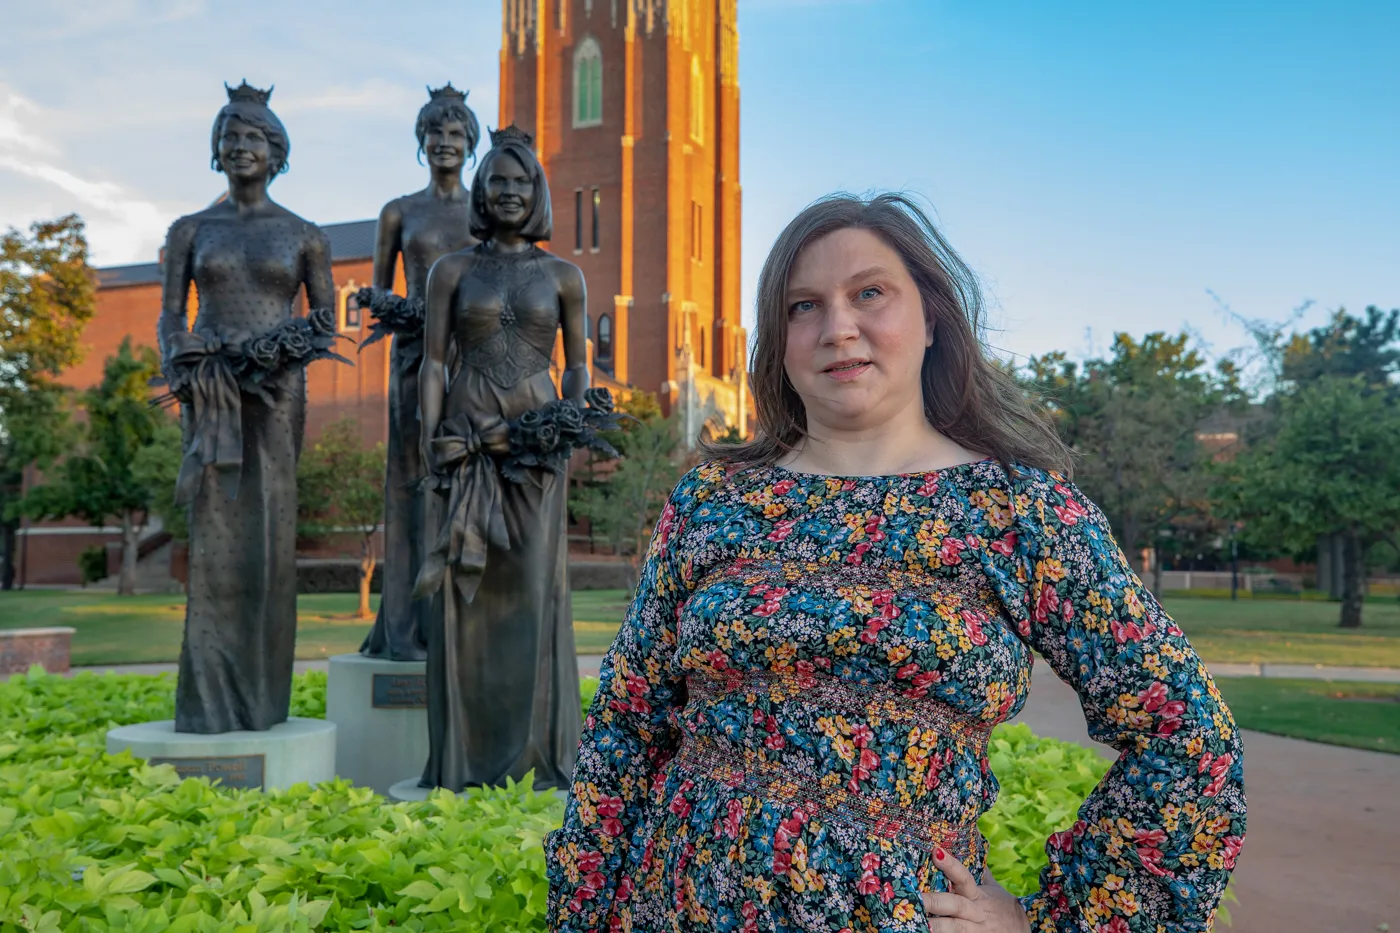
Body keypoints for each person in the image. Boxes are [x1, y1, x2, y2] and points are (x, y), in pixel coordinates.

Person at [544, 193, 1247, 932]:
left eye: (869, 293)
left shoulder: (1018, 512)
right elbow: (626, 724)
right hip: (674, 909)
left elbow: (1188, 736)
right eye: (802, 305)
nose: (837, 326)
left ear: (932, 315)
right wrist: (585, 913)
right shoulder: (714, 499)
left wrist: (1055, 923)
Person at [157, 81, 336, 733]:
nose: (239, 147)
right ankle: (207, 701)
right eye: (229, 137)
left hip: (278, 394)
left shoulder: (305, 235)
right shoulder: (190, 230)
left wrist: (275, 351)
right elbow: (171, 314)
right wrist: (182, 358)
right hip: (212, 392)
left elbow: (324, 322)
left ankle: (261, 698)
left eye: (253, 137)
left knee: (268, 531)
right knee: (214, 535)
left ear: (276, 150)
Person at [414, 125, 587, 791]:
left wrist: (568, 425)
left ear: (536, 190)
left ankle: (533, 758)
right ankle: (465, 758)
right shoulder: (450, 270)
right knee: (468, 591)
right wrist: (433, 437)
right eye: (497, 180)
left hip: (537, 447)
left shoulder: (564, 276)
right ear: (481, 190)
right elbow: (432, 362)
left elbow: (578, 368)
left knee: (532, 590)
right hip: (466, 436)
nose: (507, 190)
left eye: (520, 180)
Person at [358, 84, 481, 662]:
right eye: (435, 133)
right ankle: (404, 627)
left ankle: (457, 624)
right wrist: (409, 313)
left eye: (455, 134)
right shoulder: (399, 212)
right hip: (411, 361)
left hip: (471, 364)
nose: (444, 143)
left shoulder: (484, 213)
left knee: (468, 484)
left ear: (470, 143)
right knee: (411, 483)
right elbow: (377, 295)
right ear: (421, 141)